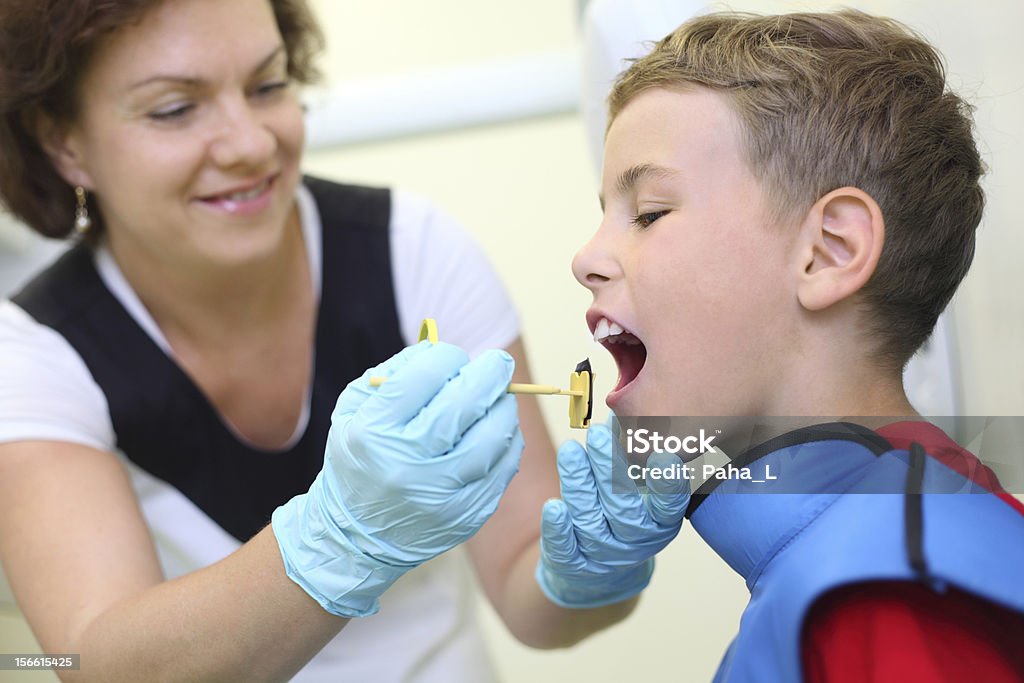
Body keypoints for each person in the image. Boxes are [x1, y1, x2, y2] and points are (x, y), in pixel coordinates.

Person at [0, 0, 687, 680]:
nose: (250, 143)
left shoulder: (414, 254)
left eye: (268, 85)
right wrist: (340, 535)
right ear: (64, 141)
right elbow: (92, 662)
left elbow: (528, 595)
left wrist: (596, 563)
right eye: (175, 109)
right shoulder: (32, 352)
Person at [545, 9, 1024, 682]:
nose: (586, 258)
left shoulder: (892, 594)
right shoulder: (849, 557)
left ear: (831, 251)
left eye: (650, 212)